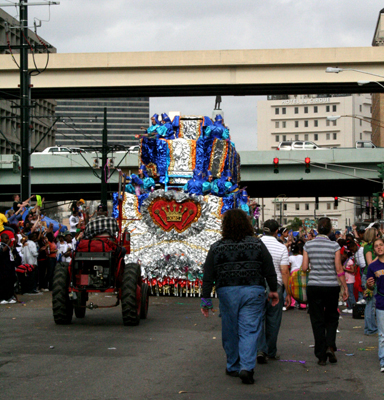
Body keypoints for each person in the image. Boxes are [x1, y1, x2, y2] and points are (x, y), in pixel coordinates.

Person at [201, 209, 278, 384]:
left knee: (230, 329)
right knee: (249, 330)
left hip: (227, 292)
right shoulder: (257, 244)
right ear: (247, 224)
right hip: (253, 290)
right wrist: (273, 289)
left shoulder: (217, 247)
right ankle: (247, 367)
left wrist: (206, 300)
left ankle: (233, 365)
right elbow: (269, 269)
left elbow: (208, 276)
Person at [302, 217, 349, 365]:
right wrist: (345, 287)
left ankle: (321, 355)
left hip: (314, 286)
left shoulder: (308, 245)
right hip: (331, 286)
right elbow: (338, 268)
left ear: (317, 229)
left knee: (317, 320)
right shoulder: (334, 246)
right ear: (330, 230)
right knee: (331, 316)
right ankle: (330, 345)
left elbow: (304, 268)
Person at [257, 219, 290, 364]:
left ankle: (259, 349)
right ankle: (270, 351)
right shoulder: (281, 247)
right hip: (275, 285)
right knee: (273, 320)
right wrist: (287, 292)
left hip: (257, 285)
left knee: (258, 318)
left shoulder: (256, 244)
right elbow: (284, 271)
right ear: (277, 231)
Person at [366, 237, 384, 373]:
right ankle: (383, 361)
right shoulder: (372, 267)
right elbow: (370, 289)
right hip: (381, 303)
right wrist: (369, 286)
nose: (379, 248)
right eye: (376, 246)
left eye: (381, 245)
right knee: (382, 334)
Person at [363, 227, 379, 335]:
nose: (379, 237)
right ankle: (370, 328)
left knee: (373, 303)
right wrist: (379, 256)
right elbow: (370, 264)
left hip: (376, 277)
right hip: (369, 277)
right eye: (377, 235)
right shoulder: (368, 248)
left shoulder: (373, 247)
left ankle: (372, 326)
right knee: (370, 303)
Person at [0, 233, 17, 304]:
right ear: (2, 239)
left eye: (8, 238)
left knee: (9, 283)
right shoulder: (1, 245)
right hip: (3, 268)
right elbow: (2, 251)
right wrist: (8, 243)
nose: (7, 240)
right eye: (5, 238)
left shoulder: (7, 246)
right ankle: (2, 298)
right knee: (3, 283)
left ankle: (9, 297)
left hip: (9, 268)